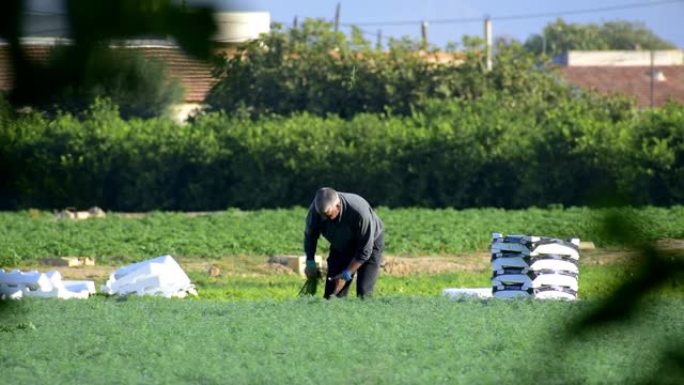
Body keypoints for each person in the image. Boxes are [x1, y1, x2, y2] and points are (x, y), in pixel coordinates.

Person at [304, 187, 384, 299]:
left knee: (364, 294)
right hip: (341, 244)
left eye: (328, 216)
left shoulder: (359, 212)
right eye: (321, 216)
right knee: (332, 295)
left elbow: (365, 251)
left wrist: (346, 274)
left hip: (369, 244)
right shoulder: (317, 212)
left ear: (338, 206)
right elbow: (310, 236)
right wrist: (310, 261)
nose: (324, 219)